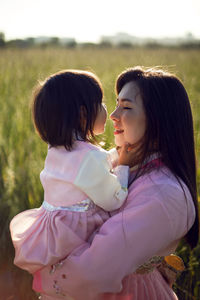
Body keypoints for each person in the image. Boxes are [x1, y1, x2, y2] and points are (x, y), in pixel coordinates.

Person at [32, 67, 199, 300]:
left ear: (160, 121)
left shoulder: (163, 194)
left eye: (126, 107)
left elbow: (93, 270)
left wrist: (47, 276)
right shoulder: (123, 164)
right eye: (116, 103)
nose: (112, 114)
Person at [10, 70, 134, 275]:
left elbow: (89, 171)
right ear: (83, 114)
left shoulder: (56, 150)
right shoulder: (90, 157)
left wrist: (116, 153)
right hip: (77, 234)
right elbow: (114, 200)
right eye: (101, 103)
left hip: (55, 230)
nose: (108, 111)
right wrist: (124, 166)